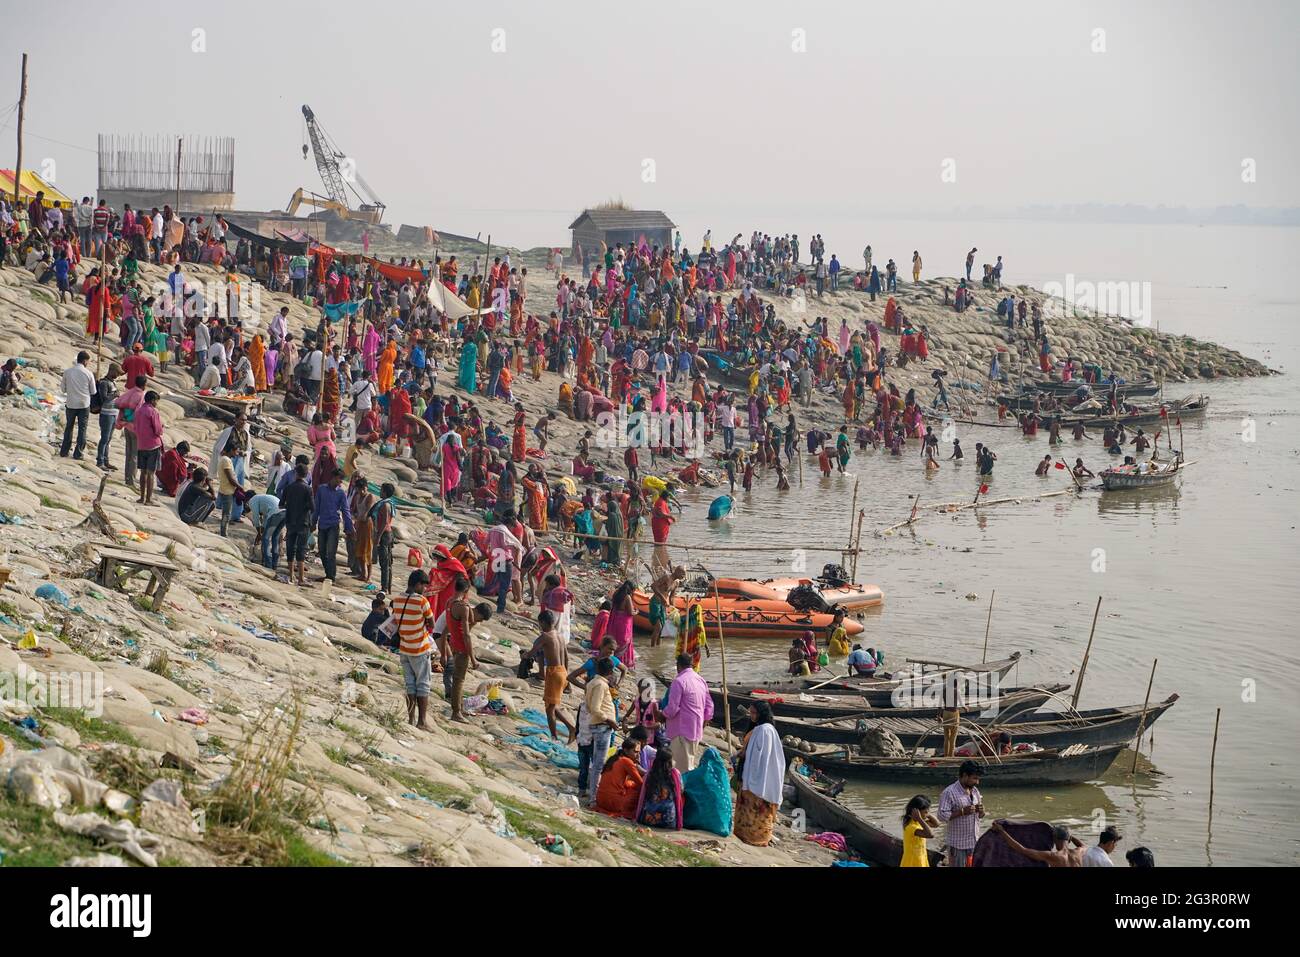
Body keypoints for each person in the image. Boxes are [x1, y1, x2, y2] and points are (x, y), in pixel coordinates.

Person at [734, 701, 785, 846]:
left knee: (757, 809)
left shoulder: (765, 730)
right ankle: (744, 834)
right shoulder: (760, 729)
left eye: (754, 713)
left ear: (762, 713)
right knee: (747, 809)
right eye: (751, 712)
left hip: (759, 776)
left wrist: (753, 776)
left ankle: (757, 838)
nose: (751, 716)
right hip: (751, 774)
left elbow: (761, 757)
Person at [391, 570, 436, 731]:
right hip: (419, 648)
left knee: (410, 685)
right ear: (418, 584)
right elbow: (432, 624)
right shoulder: (422, 601)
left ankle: (411, 719)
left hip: (404, 648)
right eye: (424, 585)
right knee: (423, 685)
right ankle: (422, 721)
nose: (425, 589)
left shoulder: (396, 600)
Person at [446, 584, 492, 723]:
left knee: (457, 680)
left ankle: (459, 707)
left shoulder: (452, 603)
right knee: (459, 681)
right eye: (481, 618)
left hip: (455, 647)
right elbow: (466, 636)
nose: (480, 621)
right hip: (461, 650)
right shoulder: (465, 610)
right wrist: (473, 659)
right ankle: (456, 712)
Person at [662, 652, 713, 773]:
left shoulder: (679, 681)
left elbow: (672, 709)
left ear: (678, 665)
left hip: (681, 732)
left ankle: (680, 791)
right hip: (696, 731)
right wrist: (702, 723)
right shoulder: (700, 680)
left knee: (679, 770)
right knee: (688, 764)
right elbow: (709, 707)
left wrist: (661, 714)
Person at [535, 609, 576, 742]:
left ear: (543, 622)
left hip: (553, 673)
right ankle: (569, 729)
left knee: (549, 709)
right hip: (562, 671)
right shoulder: (560, 636)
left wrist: (525, 655)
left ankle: (556, 736)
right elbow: (567, 658)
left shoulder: (545, 636)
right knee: (552, 705)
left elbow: (532, 652)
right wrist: (567, 678)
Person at [584, 657, 619, 807]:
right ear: (610, 672)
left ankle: (594, 796)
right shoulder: (600, 685)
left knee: (598, 762)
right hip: (602, 727)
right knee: (599, 763)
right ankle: (594, 799)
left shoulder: (593, 682)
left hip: (600, 726)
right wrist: (609, 720)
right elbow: (595, 708)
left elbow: (590, 706)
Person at [937, 760, 984, 867]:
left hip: (973, 842)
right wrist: (962, 812)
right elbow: (941, 816)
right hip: (958, 845)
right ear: (964, 775)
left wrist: (981, 811)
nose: (977, 782)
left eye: (978, 778)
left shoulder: (975, 791)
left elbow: (980, 816)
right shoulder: (949, 792)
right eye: (974, 778)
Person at [314, 468, 353, 583]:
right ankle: (328, 573)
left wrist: (349, 527)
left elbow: (346, 510)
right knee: (321, 551)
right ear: (333, 477)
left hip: (334, 525)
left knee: (331, 552)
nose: (340, 482)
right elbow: (317, 507)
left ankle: (331, 576)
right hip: (322, 524)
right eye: (339, 479)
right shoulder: (322, 489)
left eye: (341, 480)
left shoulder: (341, 493)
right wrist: (313, 522)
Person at [990, 820, 1087, 867]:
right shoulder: (1078, 853)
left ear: (1054, 839)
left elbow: (1022, 850)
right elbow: (1083, 845)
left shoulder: (1054, 856)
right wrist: (1069, 835)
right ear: (1069, 839)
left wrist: (1002, 831)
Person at [281, 463, 315, 587]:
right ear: (306, 475)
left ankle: (291, 576)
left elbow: (281, 504)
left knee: (290, 549)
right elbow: (312, 507)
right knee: (301, 550)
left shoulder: (289, 488)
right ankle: (301, 578)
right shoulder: (308, 489)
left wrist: (291, 506)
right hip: (303, 523)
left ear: (295, 473)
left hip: (290, 522)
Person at [593, 738, 644, 820]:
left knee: (630, 784)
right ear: (626, 751)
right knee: (636, 792)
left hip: (600, 800)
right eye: (635, 752)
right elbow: (641, 784)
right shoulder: (627, 761)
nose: (638, 755)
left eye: (639, 753)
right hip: (612, 803)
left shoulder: (614, 759)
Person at [634, 745, 683, 830]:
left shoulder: (650, 774)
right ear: (670, 761)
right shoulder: (675, 773)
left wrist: (637, 816)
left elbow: (642, 795)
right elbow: (681, 791)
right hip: (668, 821)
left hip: (647, 819)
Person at [60, 351, 96, 460]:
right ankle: (78, 453)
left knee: (69, 427)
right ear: (85, 361)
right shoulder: (89, 373)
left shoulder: (68, 372)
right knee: (82, 429)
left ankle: (64, 451)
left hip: (71, 403)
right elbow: (93, 391)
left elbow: (63, 389)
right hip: (84, 404)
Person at [134, 391, 164, 506]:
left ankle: (141, 497)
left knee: (143, 472)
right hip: (152, 445)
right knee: (151, 473)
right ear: (152, 400)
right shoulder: (152, 411)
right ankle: (148, 499)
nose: (156, 403)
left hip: (141, 444)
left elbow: (135, 426)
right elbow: (157, 430)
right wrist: (161, 428)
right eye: (156, 401)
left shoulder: (138, 410)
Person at [901, 795, 939, 867]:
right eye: (925, 810)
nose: (927, 811)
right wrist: (919, 818)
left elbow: (936, 824)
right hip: (912, 862)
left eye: (928, 809)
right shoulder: (911, 826)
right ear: (916, 811)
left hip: (921, 859)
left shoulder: (919, 823)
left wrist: (927, 815)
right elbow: (931, 835)